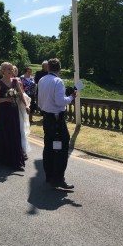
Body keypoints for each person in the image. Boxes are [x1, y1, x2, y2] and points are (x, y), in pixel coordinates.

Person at [37, 58, 76, 189]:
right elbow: (60, 101)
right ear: (59, 68)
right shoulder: (58, 81)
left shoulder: (42, 80)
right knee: (61, 147)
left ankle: (49, 176)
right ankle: (59, 178)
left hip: (47, 117)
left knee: (49, 146)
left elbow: (40, 101)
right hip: (57, 119)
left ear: (48, 68)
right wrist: (71, 97)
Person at [0, 62, 28, 171]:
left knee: (15, 134)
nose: (10, 71)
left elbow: (20, 94)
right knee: (4, 134)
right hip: (4, 112)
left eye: (11, 69)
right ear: (3, 71)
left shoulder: (15, 81)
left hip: (14, 111)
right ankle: (1, 158)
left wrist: (26, 105)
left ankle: (16, 162)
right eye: (8, 69)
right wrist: (5, 99)